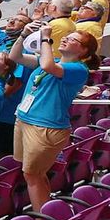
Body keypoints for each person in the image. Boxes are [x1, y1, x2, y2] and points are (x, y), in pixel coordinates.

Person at [13, 25, 96, 208]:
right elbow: (15, 57)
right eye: (67, 36)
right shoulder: (54, 60)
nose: (66, 39)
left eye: (73, 39)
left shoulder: (78, 69)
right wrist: (23, 35)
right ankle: (46, 209)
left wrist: (46, 38)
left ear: (84, 52)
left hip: (46, 127)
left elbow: (47, 66)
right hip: (25, 119)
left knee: (31, 175)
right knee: (36, 173)